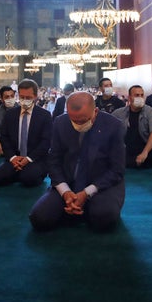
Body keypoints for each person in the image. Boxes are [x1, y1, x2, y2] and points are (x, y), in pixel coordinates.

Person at [29, 92, 125, 232]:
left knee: (103, 219)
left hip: (101, 184)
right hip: (68, 182)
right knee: (39, 218)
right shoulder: (60, 122)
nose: (78, 124)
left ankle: (79, 208)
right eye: (73, 120)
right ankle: (74, 205)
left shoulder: (114, 126)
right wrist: (66, 192)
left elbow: (117, 169)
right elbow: (53, 161)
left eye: (83, 120)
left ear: (95, 111)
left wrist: (86, 193)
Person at [0, 79, 52, 186]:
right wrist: (13, 158)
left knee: (28, 179)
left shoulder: (45, 115)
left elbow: (46, 142)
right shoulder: (10, 114)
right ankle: (18, 170)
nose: (24, 100)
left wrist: (28, 159)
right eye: (22, 97)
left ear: (35, 96)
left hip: (35, 158)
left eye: (28, 97)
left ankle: (30, 172)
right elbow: (4, 138)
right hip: (15, 157)